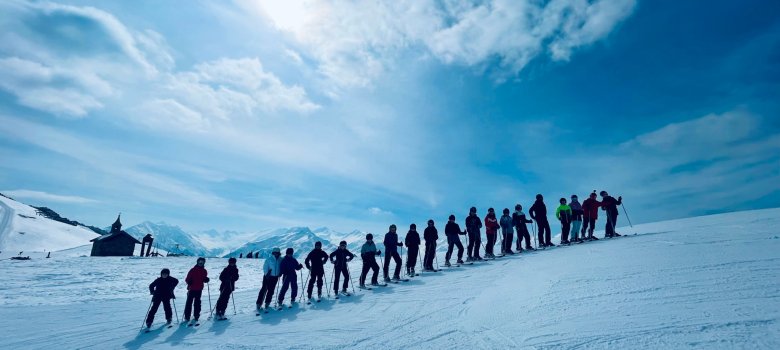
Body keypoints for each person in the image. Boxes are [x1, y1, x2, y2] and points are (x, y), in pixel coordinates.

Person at [183, 257, 209, 323]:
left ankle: (196, 315)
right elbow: (187, 279)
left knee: (197, 303)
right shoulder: (192, 270)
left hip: (199, 289)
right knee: (189, 303)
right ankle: (187, 316)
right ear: (197, 262)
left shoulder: (204, 271)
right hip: (191, 289)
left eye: (202, 262)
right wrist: (189, 282)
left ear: (204, 263)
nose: (200, 263)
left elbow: (203, 278)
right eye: (200, 261)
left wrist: (206, 279)